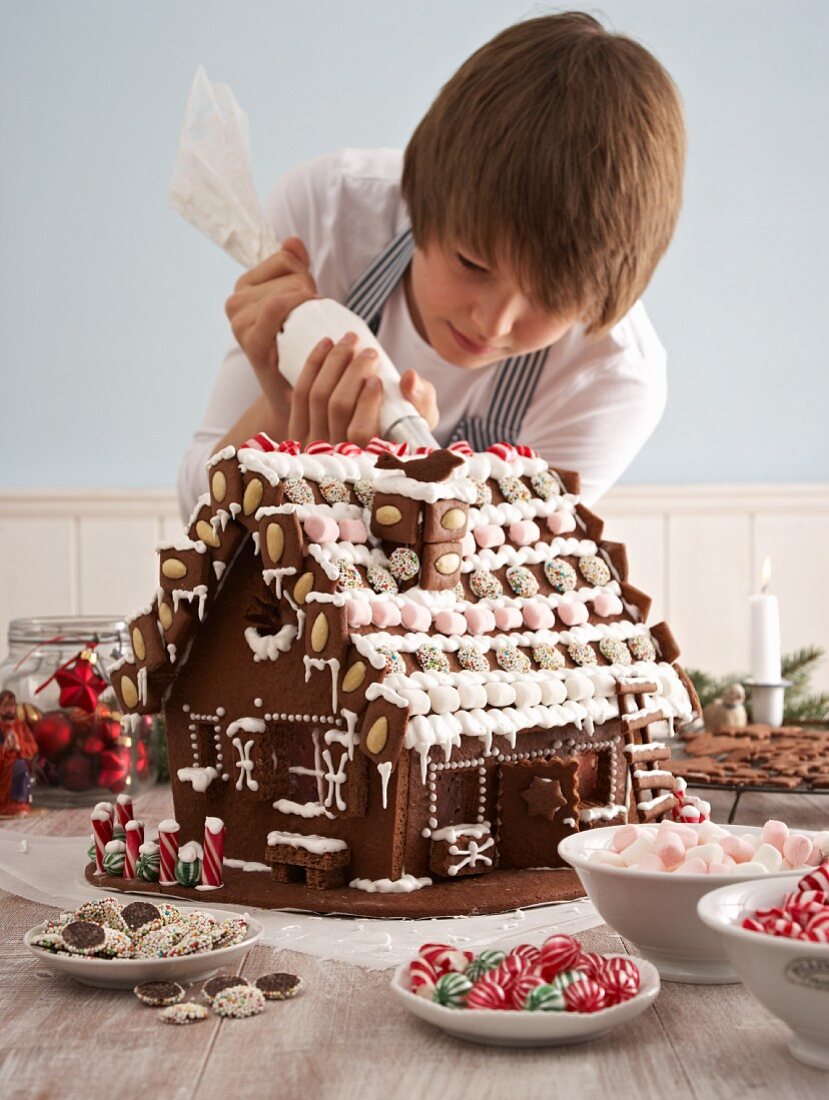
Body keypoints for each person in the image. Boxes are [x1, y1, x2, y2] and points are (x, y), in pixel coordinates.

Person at [178, 12, 685, 519]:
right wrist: (283, 408)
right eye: (472, 262)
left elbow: (499, 579)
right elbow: (193, 511)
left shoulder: (613, 376)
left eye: (550, 298)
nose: (493, 322)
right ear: (417, 198)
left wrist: (403, 477)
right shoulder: (327, 216)